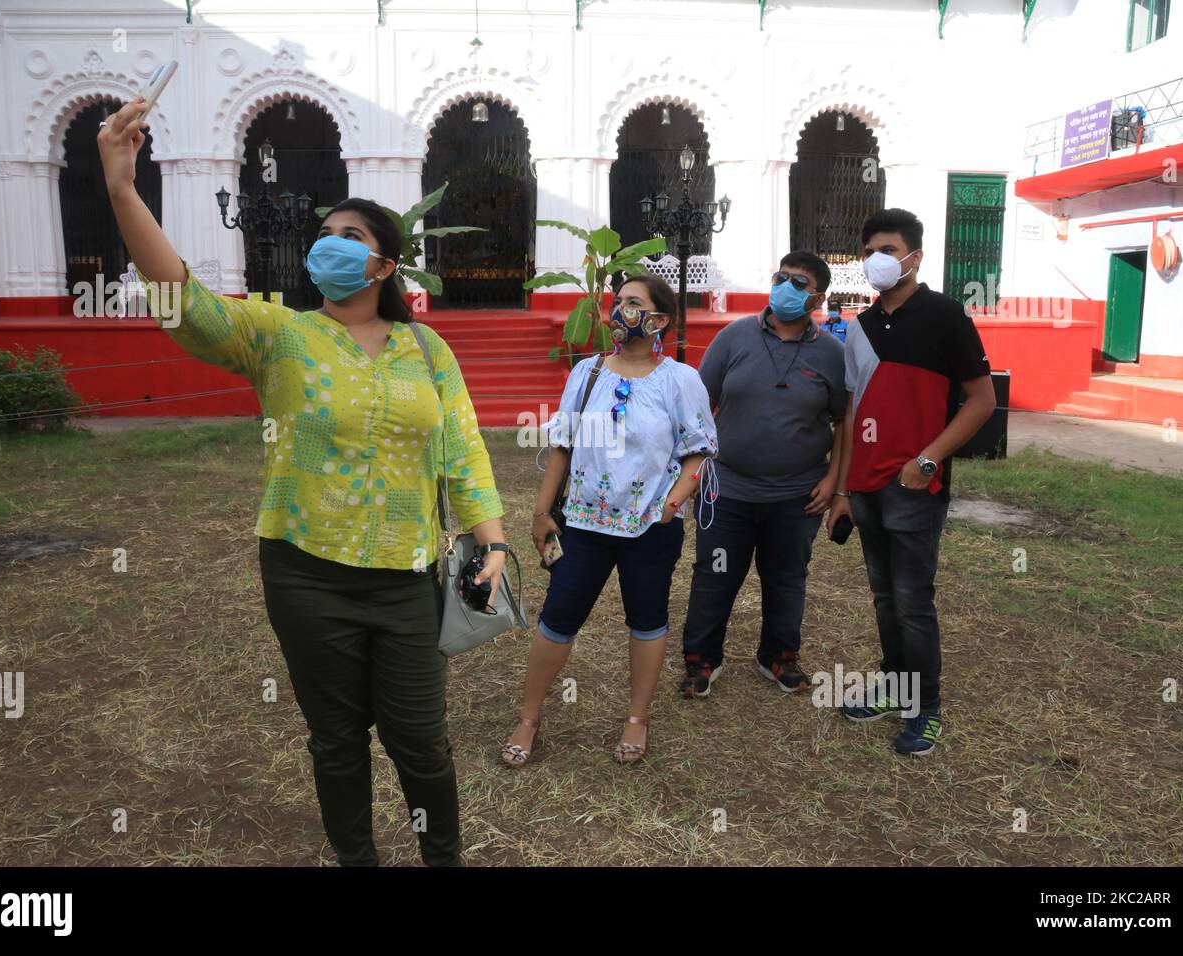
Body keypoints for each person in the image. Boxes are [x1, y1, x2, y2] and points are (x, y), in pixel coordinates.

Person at [98, 95, 509, 864]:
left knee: (421, 741)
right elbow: (179, 299)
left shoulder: (427, 351)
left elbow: (464, 449)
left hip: (408, 578)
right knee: (337, 741)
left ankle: (441, 857)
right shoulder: (278, 334)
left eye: (351, 239)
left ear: (385, 264)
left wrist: (491, 542)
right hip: (306, 575)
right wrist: (123, 189)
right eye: (325, 236)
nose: (332, 247)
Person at [502, 272, 716, 766]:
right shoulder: (588, 373)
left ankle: (636, 719)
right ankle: (530, 717)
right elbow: (562, 445)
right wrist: (540, 513)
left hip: (650, 531)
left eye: (634, 303)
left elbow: (700, 450)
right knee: (557, 620)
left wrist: (670, 505)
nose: (620, 311)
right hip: (582, 525)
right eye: (618, 301)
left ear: (660, 320)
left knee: (647, 620)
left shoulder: (680, 380)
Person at [827, 208, 995, 756]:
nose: (878, 258)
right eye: (870, 249)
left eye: (889, 248)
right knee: (883, 596)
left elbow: (982, 400)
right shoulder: (862, 326)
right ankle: (894, 686)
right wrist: (844, 491)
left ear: (915, 257)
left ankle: (926, 709)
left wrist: (927, 461)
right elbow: (852, 413)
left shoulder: (946, 316)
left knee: (912, 599)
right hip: (868, 487)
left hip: (916, 486)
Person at [679, 252, 846, 698]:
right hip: (726, 489)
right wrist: (692, 472)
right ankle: (701, 659)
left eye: (799, 282)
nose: (786, 286)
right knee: (714, 574)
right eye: (781, 276)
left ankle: (778, 656)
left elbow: (844, 421)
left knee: (787, 575)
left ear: (816, 298)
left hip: (797, 495)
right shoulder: (733, 338)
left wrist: (835, 481)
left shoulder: (832, 353)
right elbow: (697, 406)